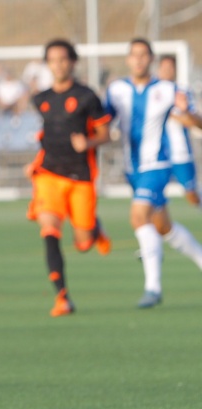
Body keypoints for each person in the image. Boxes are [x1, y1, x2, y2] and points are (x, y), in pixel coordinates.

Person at [105, 38, 202, 308]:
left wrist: (187, 113)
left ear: (151, 59)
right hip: (131, 169)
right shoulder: (116, 90)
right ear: (127, 59)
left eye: (143, 55)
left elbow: (197, 122)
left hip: (157, 165)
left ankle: (153, 288)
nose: (138, 60)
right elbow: (102, 123)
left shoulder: (169, 90)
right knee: (163, 227)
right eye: (133, 55)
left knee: (139, 217)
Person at [25, 39, 112, 317]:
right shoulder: (41, 99)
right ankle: (62, 297)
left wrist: (87, 143)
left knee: (83, 244)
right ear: (47, 64)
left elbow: (105, 134)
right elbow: (46, 137)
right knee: (49, 232)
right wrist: (35, 163)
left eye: (63, 59)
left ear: (73, 62)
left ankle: (94, 230)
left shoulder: (87, 96)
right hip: (48, 175)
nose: (58, 65)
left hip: (80, 177)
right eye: (53, 60)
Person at [156, 54, 202, 208]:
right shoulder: (151, 91)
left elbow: (196, 123)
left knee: (191, 195)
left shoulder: (182, 92)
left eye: (170, 68)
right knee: (153, 200)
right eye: (164, 68)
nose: (166, 71)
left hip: (180, 153)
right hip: (155, 155)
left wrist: (178, 115)